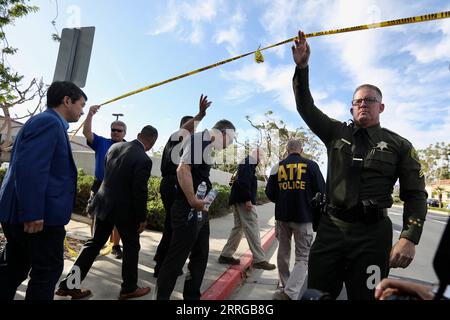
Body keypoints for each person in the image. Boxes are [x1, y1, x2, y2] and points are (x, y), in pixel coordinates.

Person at [292, 30, 427, 300]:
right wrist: (302, 67)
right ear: (351, 108)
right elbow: (305, 106)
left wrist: (409, 237)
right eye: (358, 101)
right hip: (331, 230)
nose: (363, 104)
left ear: (382, 107)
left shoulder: (400, 145)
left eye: (370, 100)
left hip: (372, 236)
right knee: (316, 295)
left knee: (367, 297)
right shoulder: (334, 133)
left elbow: (415, 193)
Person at [0, 81, 86, 300]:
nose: (82, 110)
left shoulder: (47, 122)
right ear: (67, 100)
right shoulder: (49, 122)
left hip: (25, 215)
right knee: (47, 270)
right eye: (81, 104)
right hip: (38, 219)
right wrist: (33, 212)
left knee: (15, 267)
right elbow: (31, 168)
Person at [55, 125, 158, 300]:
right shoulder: (143, 159)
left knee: (94, 244)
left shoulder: (114, 147)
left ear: (139, 134)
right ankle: (129, 288)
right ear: (152, 142)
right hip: (124, 211)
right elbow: (139, 191)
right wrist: (142, 217)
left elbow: (107, 175)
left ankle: (69, 285)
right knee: (132, 246)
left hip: (103, 203)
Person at [156, 119, 236, 300]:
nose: (228, 145)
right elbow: (183, 169)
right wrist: (192, 199)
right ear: (223, 133)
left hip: (199, 209)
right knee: (175, 260)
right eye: (230, 140)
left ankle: (192, 298)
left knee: (200, 254)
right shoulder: (200, 140)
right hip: (187, 209)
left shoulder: (205, 144)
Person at [153, 94, 211, 278]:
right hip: (172, 184)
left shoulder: (188, 144)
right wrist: (200, 115)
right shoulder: (177, 138)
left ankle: (163, 262)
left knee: (172, 225)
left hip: (171, 184)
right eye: (192, 127)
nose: (194, 131)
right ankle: (164, 266)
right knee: (175, 227)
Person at [265, 139, 325, 300]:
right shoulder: (311, 165)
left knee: (283, 252)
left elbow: (269, 192)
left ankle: (285, 285)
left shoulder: (278, 166)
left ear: (287, 150)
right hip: (304, 217)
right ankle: (290, 293)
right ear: (301, 150)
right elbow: (322, 191)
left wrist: (283, 197)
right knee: (302, 257)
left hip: (282, 217)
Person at [218, 149, 276, 271]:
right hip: (243, 201)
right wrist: (248, 199)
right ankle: (259, 259)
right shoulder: (248, 162)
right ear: (257, 155)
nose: (262, 160)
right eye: (262, 156)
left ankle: (225, 255)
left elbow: (240, 181)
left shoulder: (247, 163)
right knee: (252, 226)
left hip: (239, 200)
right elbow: (243, 182)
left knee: (238, 228)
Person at [83, 105, 126, 259]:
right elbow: (86, 133)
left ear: (124, 133)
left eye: (118, 130)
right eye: (113, 129)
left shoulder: (128, 148)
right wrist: (90, 114)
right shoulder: (101, 142)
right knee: (94, 214)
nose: (115, 132)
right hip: (99, 184)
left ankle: (115, 245)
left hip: (118, 188)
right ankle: (96, 243)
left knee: (116, 219)